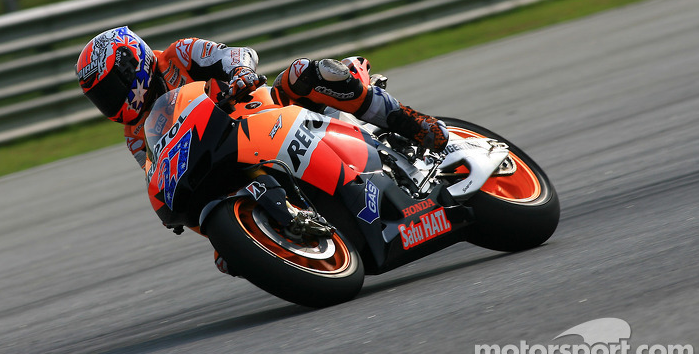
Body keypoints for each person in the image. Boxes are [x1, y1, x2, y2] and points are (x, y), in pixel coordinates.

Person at [76, 26, 448, 271]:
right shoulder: (134, 134)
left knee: (308, 72)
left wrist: (237, 74)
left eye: (111, 89)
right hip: (221, 155)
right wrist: (220, 237)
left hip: (264, 108)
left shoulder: (179, 54)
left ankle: (412, 123)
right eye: (100, 99)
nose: (109, 103)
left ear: (133, 64)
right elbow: (159, 170)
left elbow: (237, 54)